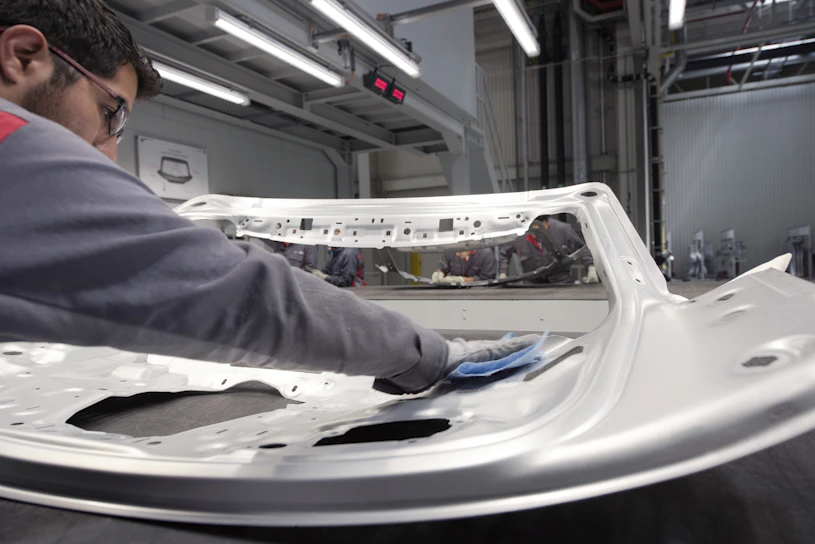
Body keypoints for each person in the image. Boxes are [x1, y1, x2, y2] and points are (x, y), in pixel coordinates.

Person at [0, 1, 541, 394]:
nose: (111, 151)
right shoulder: (13, 146)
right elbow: (237, 294)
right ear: (23, 56)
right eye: (111, 112)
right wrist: (430, 353)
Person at [499, 216, 598, 285]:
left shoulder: (563, 230)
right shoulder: (519, 234)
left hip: (561, 283)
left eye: (539, 229)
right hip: (531, 285)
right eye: (532, 229)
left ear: (547, 222)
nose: (535, 234)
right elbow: (504, 253)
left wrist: (591, 268)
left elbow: (583, 249)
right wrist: (503, 273)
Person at [432, 249, 498, 284]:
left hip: (479, 293)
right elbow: (443, 268)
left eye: (460, 251)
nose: (457, 254)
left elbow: (487, 279)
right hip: (454, 292)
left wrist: (462, 280)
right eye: (456, 251)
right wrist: (439, 273)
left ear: (472, 245)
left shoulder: (486, 253)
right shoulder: (450, 250)